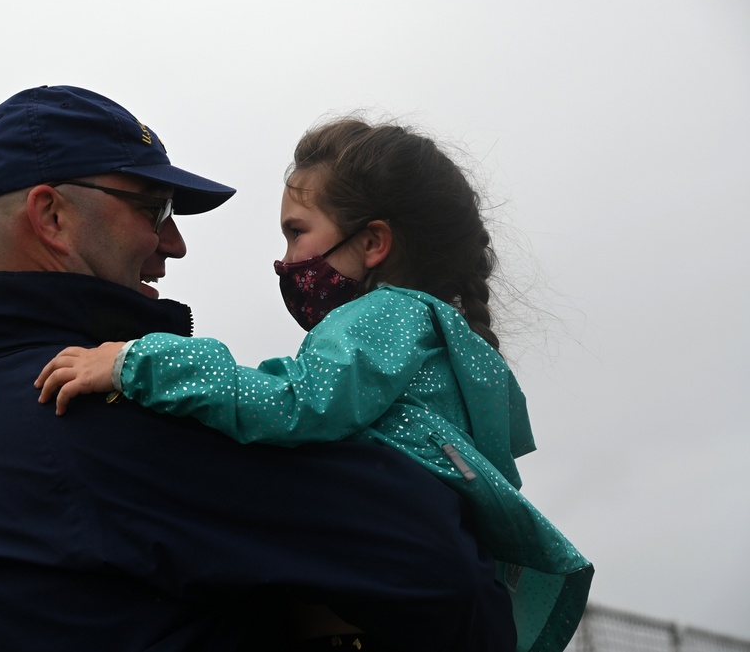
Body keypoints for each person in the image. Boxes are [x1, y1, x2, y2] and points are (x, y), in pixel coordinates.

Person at [0, 85, 518, 652]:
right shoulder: (89, 409)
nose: (176, 244)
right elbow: (438, 563)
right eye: (155, 209)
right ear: (52, 216)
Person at [35, 118, 594, 651]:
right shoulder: (445, 344)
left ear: (374, 243)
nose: (285, 261)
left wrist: (139, 361)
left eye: (296, 233)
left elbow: (297, 404)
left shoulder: (383, 313)